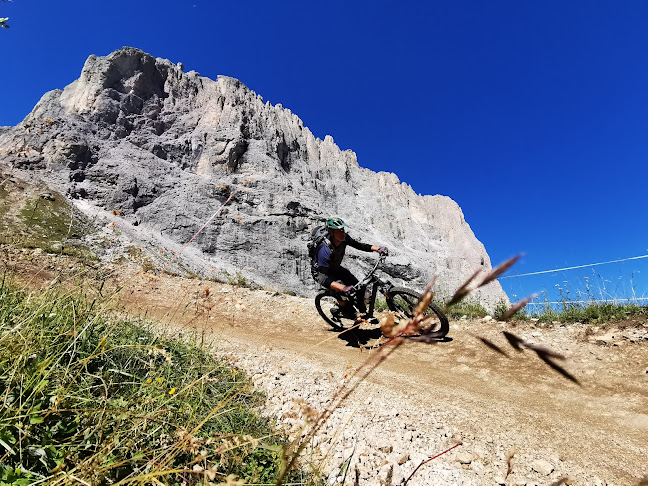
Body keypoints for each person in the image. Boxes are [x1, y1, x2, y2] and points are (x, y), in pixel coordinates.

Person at [313, 217, 388, 319]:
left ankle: (363, 311)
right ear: (331, 233)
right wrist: (343, 288)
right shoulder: (324, 249)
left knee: (359, 287)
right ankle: (344, 312)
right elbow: (322, 277)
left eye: (343, 229)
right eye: (339, 231)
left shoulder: (344, 238)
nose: (342, 232)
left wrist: (378, 249)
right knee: (342, 294)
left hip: (335, 268)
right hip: (323, 274)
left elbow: (359, 245)